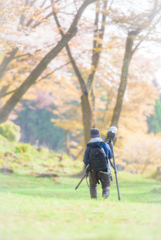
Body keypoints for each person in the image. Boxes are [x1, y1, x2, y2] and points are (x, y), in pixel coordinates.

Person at [83, 128, 113, 199]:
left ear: (91, 136)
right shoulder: (105, 145)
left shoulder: (89, 147)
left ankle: (94, 199)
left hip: (93, 170)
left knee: (93, 185)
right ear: (99, 136)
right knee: (106, 185)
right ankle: (105, 194)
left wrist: (87, 169)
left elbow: (85, 160)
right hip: (105, 169)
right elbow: (110, 156)